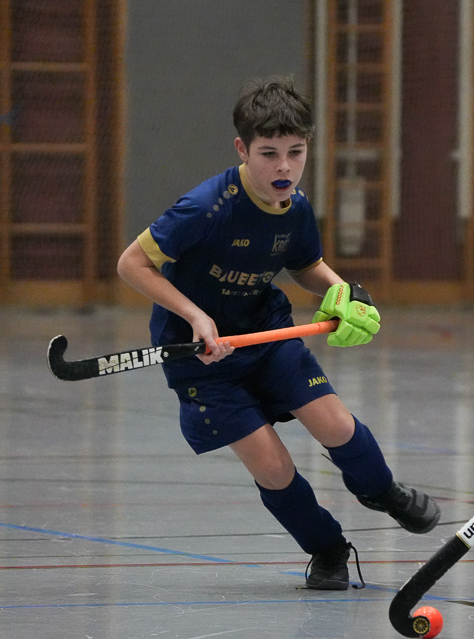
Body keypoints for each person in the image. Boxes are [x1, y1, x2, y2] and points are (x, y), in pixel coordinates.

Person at [117, 76, 440, 591]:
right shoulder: (205, 208)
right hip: (201, 358)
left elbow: (305, 265)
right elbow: (132, 264)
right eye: (269, 154)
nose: (284, 167)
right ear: (242, 149)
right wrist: (196, 316)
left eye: (296, 152)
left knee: (335, 424)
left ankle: (381, 491)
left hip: (266, 337)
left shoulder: (297, 208)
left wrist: (342, 291)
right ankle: (328, 548)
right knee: (272, 467)